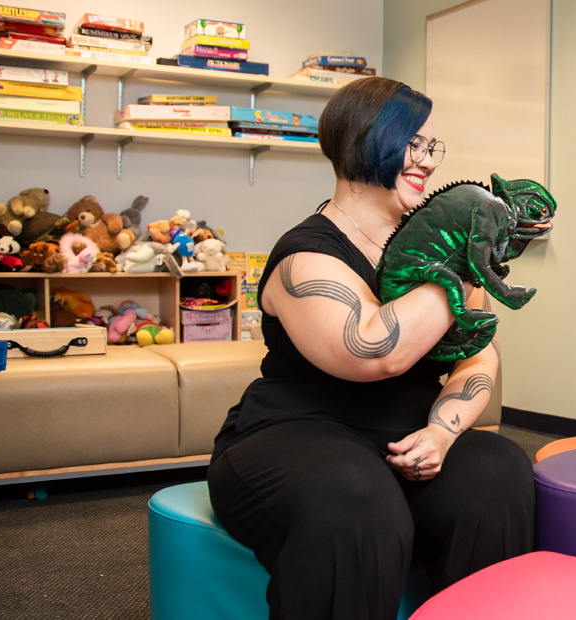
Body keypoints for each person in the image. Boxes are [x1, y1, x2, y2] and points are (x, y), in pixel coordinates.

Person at [207, 77, 535, 620]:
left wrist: (441, 431)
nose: (427, 162)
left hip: (407, 432)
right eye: (414, 144)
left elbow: (478, 354)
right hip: (295, 432)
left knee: (498, 473)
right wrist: (457, 259)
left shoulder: (447, 248)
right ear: (366, 140)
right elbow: (377, 352)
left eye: (432, 147)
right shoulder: (305, 257)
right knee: (355, 501)